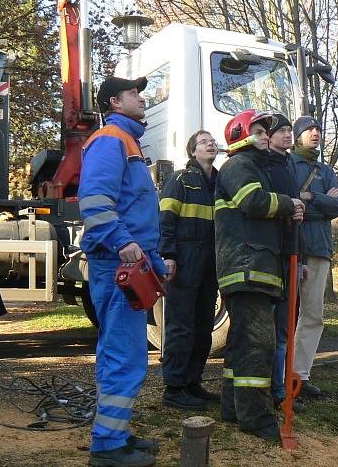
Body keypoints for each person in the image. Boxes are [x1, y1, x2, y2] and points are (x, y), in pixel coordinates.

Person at [78, 75, 169, 467]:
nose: (141, 97)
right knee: (123, 354)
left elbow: (130, 210)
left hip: (129, 263)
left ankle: (117, 435)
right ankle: (108, 447)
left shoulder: (126, 141)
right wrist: (123, 242)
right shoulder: (110, 140)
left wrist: (156, 260)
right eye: (134, 92)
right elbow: (95, 202)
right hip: (118, 265)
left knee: (125, 353)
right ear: (115, 101)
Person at [215, 110, 304, 440]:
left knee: (240, 343)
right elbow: (251, 201)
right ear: (240, 133)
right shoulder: (240, 166)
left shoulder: (253, 167)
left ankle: (232, 408)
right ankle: (255, 418)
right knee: (258, 344)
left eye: (267, 130)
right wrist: (287, 203)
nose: (266, 134)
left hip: (251, 268)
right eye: (259, 129)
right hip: (247, 267)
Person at [158, 130, 219, 411]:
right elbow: (166, 219)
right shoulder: (180, 179)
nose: (211, 144)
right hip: (185, 257)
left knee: (203, 325)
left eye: (212, 141)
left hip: (211, 260)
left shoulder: (220, 183)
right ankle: (174, 387)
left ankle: (192, 382)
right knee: (181, 324)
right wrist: (168, 255)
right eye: (204, 142)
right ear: (192, 151)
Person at [290, 116, 338, 400]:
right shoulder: (287, 165)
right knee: (283, 313)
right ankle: (280, 373)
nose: (315, 133)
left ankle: (299, 376)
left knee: (313, 313)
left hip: (319, 249)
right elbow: (288, 201)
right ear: (297, 136)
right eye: (309, 130)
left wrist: (311, 196)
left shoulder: (325, 170)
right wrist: (320, 200)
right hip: (291, 246)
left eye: (318, 130)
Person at [264, 113, 301, 408]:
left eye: (290, 130)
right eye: (281, 131)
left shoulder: (289, 166)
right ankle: (276, 391)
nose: (287, 135)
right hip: (271, 254)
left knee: (285, 328)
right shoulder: (265, 166)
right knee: (273, 328)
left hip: (291, 251)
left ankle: (281, 388)